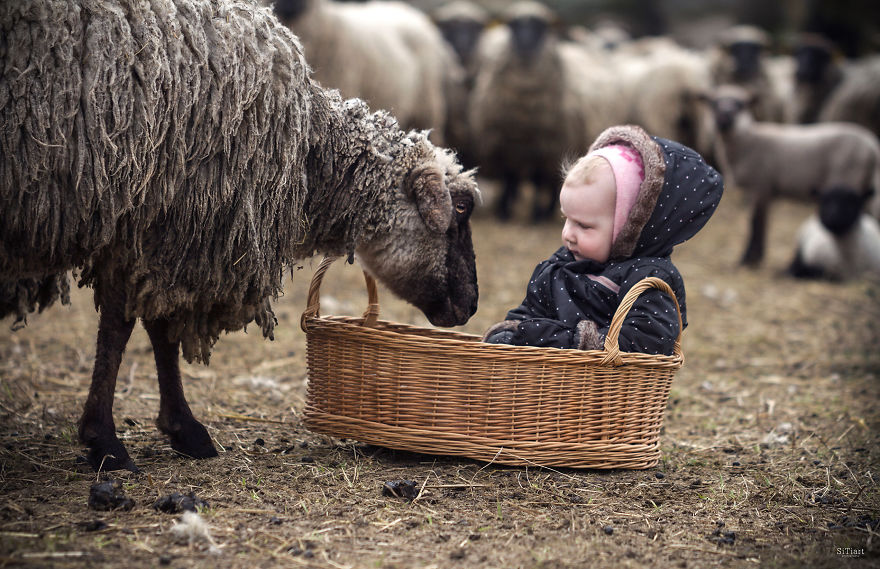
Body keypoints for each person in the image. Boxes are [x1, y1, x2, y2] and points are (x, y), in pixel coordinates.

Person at [483, 125, 724, 354]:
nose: (567, 233)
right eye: (566, 218)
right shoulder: (558, 267)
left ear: (630, 226)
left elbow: (646, 342)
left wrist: (573, 342)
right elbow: (530, 314)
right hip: (551, 391)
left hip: (609, 394)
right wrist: (510, 332)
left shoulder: (648, 279)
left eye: (584, 226)